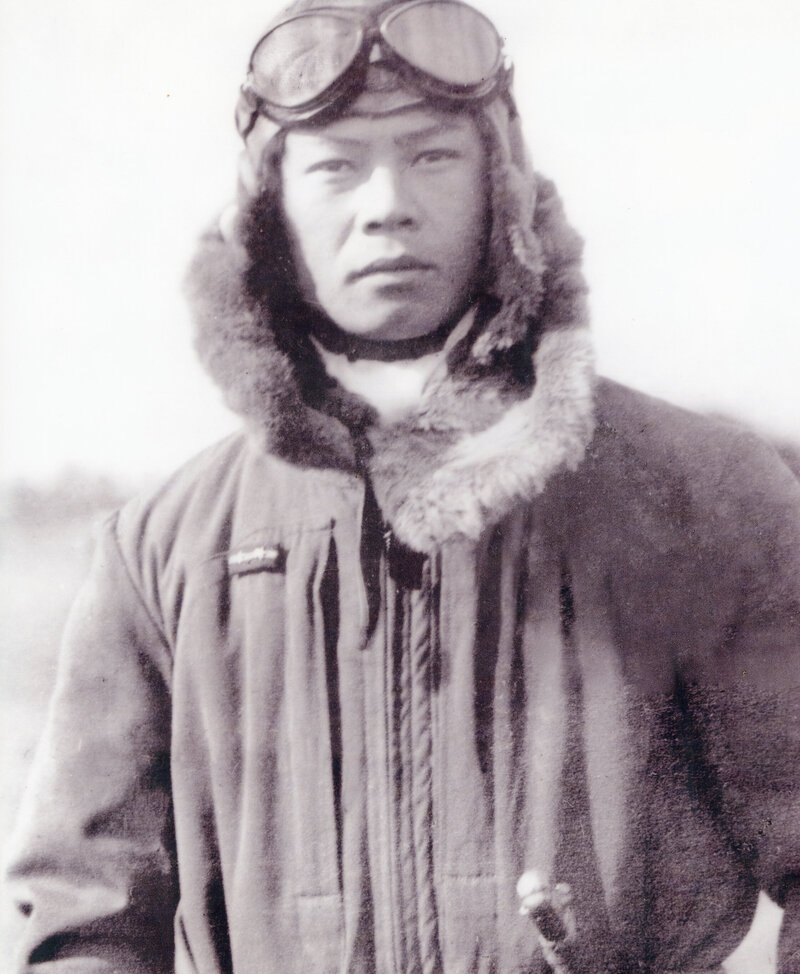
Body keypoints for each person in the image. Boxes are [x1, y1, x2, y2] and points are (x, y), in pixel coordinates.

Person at [6, 1, 800, 972]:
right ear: (267, 203)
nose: (386, 202)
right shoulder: (162, 550)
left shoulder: (700, 497)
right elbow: (84, 916)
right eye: (336, 165)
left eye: (431, 154)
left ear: (499, 182)